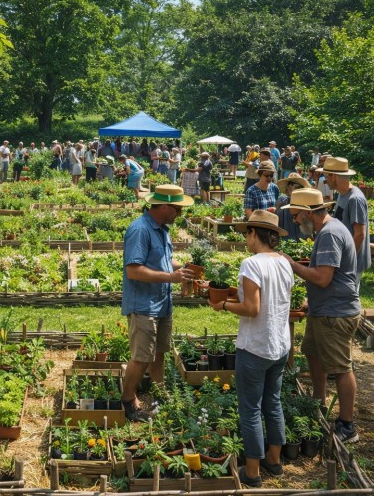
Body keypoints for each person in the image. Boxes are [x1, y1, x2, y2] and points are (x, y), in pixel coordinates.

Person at [209, 210, 293, 487]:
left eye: (247, 233)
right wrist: (236, 294)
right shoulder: (283, 262)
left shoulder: (252, 263)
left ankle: (253, 472)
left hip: (255, 346)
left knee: (250, 410)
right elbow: (268, 297)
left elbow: (252, 308)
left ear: (255, 233)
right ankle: (274, 460)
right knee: (273, 402)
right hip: (279, 346)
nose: (245, 238)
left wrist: (222, 304)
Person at [280, 188, 361, 445]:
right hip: (322, 309)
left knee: (340, 368)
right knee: (312, 353)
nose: (294, 221)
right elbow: (328, 276)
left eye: (295, 216)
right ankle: (318, 402)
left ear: (307, 213)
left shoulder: (329, 235)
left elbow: (323, 279)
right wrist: (310, 298)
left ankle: (347, 425)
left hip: (335, 314)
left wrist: (292, 264)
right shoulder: (328, 229)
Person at [122, 184, 195, 421]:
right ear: (163, 206)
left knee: (159, 353)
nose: (180, 214)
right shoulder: (140, 230)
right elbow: (134, 270)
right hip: (144, 305)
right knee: (142, 356)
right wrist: (171, 277)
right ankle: (128, 400)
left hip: (161, 303)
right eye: (177, 209)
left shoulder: (161, 229)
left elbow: (163, 261)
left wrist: (183, 269)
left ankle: (158, 394)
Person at [325, 157, 369, 287]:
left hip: (351, 262)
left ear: (333, 176)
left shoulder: (355, 199)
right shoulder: (342, 194)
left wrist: (347, 261)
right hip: (343, 259)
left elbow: (360, 234)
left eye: (326, 176)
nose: (325, 181)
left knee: (348, 301)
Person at [275, 173, 310, 240]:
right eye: (295, 187)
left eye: (299, 188)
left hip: (302, 243)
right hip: (286, 243)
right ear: (288, 189)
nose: (296, 191)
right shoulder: (282, 202)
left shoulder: (306, 203)